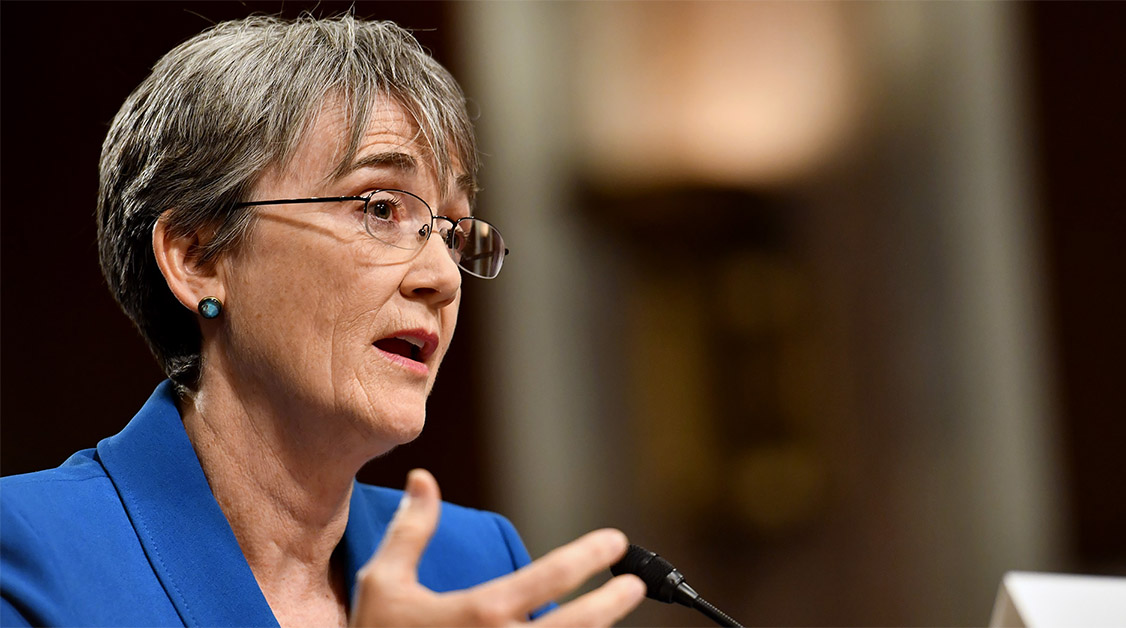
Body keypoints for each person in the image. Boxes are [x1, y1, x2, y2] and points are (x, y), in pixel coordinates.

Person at [0, 14, 645, 627]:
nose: (444, 278)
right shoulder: (27, 552)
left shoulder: (475, 563)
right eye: (380, 208)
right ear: (198, 258)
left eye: (452, 231)